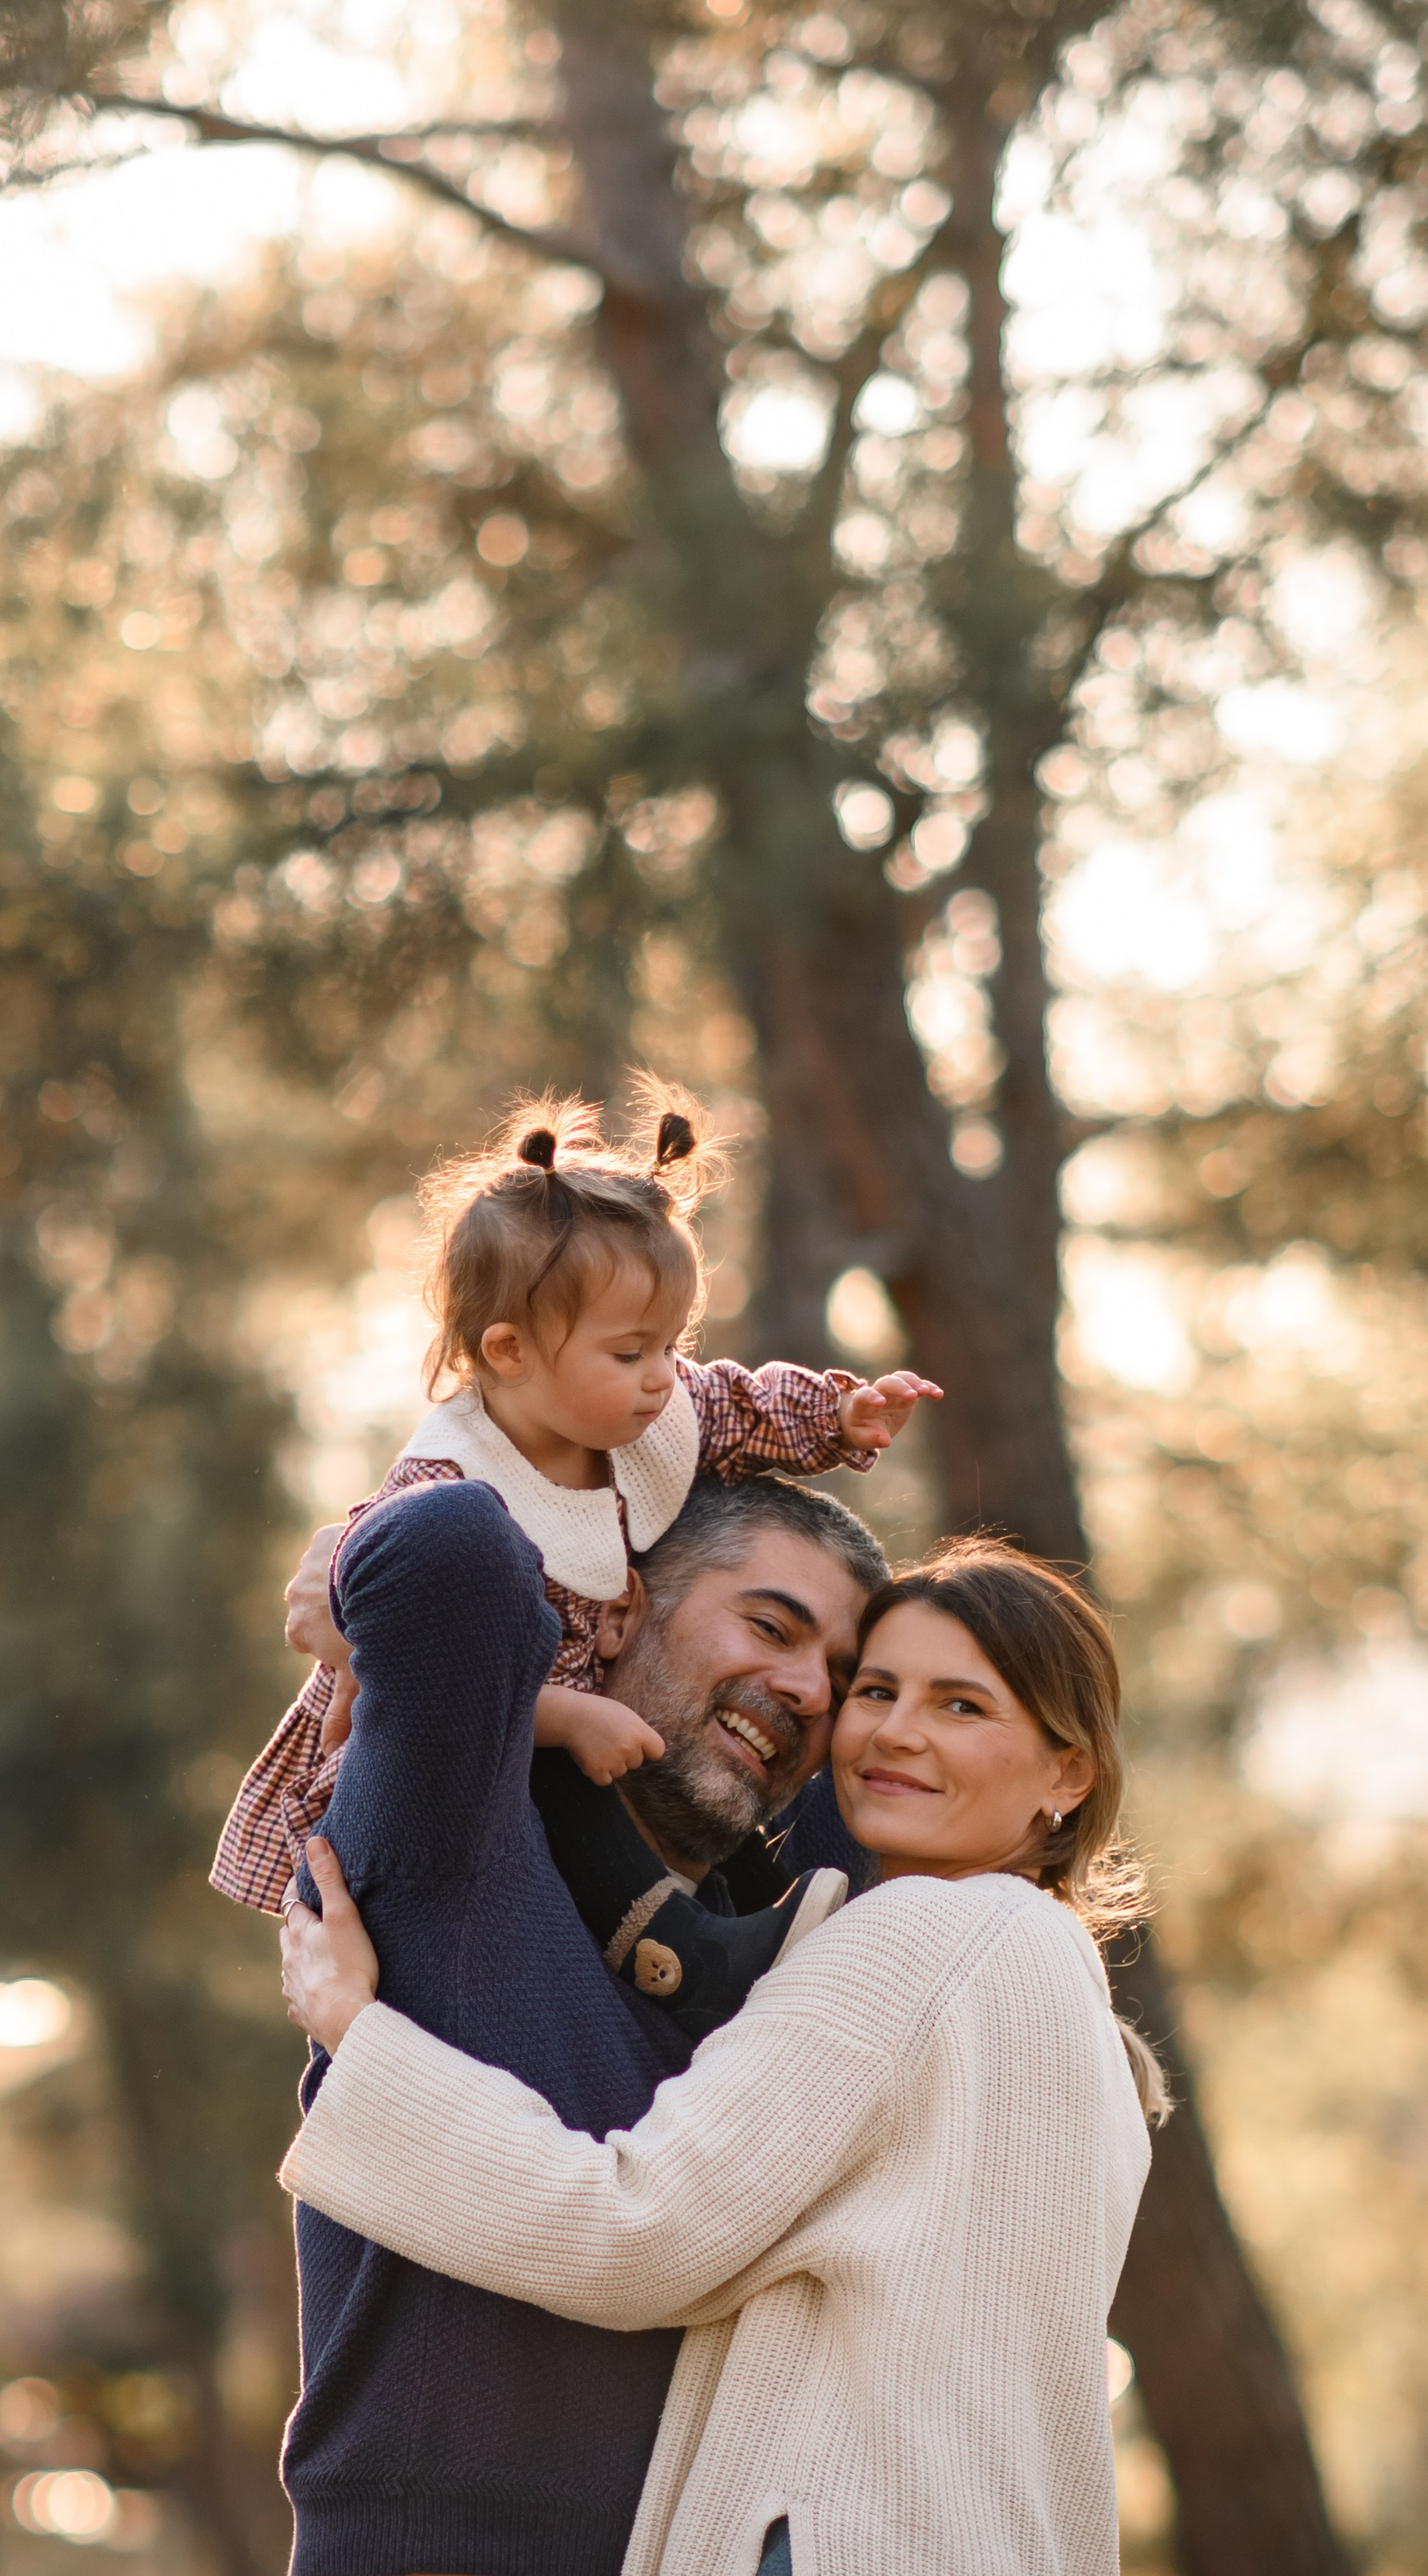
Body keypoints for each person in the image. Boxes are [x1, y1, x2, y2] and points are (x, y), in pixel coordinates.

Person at [282, 1545, 1166, 2576]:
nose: (895, 1732)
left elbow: (633, 2227)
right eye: (874, 1689)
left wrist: (362, 2034)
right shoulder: (1068, 2001)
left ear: (1069, 1771)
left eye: (961, 1707)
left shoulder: (924, 1937)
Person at [268, 1465, 891, 2576]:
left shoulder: (800, 1964)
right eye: (770, 1625)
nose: (807, 1689)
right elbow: (453, 1547)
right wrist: (360, 1557)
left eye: (842, 1676)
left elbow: (938, 1756)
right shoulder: (459, 1818)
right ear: (617, 1612)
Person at [212, 1084, 938, 1917]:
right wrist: (561, 1716)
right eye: (631, 1350)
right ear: (510, 1349)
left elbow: (742, 1406)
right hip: (459, 1758)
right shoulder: (453, 1483)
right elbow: (434, 1671)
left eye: (672, 1343)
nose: (663, 1373)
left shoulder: (653, 1414)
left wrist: (839, 1416)